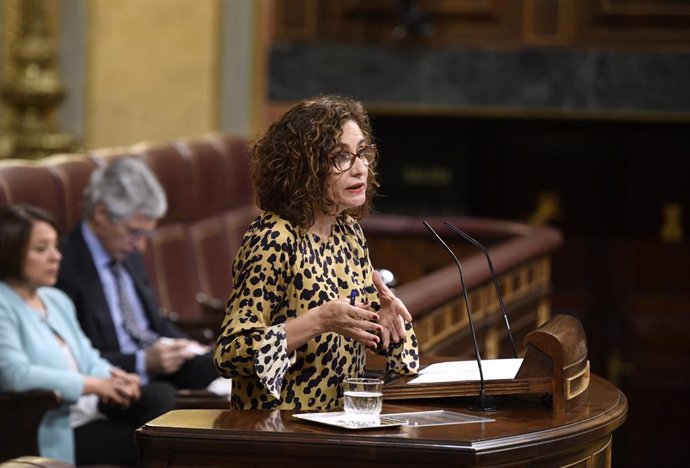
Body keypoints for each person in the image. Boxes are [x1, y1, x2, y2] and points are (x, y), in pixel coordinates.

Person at [214, 95, 419, 410]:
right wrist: (320, 320)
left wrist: (384, 324)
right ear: (303, 167)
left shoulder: (348, 232)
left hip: (340, 423)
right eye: (341, 157)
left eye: (363, 153)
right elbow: (231, 352)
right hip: (280, 430)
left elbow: (350, 334)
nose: (360, 168)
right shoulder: (273, 238)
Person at [0, 204, 176, 465]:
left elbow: (88, 356)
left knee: (159, 395)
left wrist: (115, 378)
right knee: (152, 445)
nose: (56, 256)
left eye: (55, 246)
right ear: (11, 252)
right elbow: (14, 374)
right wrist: (94, 384)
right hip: (56, 426)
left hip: (90, 408)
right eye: (41, 249)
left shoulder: (55, 299)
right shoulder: (4, 303)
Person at [55, 157, 218, 391]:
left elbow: (154, 322)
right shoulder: (64, 265)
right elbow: (74, 357)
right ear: (101, 214)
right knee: (163, 396)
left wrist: (186, 345)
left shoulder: (125, 251)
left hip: (162, 366)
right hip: (118, 382)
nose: (141, 246)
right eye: (134, 232)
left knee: (231, 365)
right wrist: (143, 362)